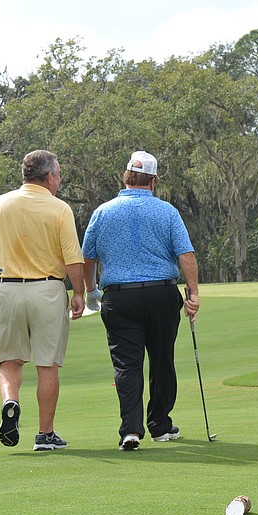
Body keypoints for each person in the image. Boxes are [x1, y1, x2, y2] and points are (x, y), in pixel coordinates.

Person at [82, 150, 200, 451]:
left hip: (120, 297)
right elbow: (185, 253)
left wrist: (90, 289)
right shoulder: (167, 211)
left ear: (126, 176)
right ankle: (160, 425)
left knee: (127, 364)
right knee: (162, 360)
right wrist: (193, 292)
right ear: (153, 181)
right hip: (161, 294)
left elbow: (88, 256)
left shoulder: (103, 211)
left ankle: (130, 431)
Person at [0, 149, 85, 451]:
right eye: (58, 175)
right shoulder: (59, 209)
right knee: (47, 365)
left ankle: (10, 401)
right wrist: (80, 292)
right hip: (47, 290)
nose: (58, 181)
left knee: (10, 361)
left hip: (7, 289)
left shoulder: (0, 204)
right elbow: (73, 259)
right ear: (49, 177)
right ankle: (45, 435)